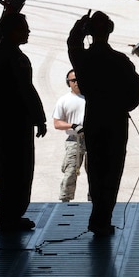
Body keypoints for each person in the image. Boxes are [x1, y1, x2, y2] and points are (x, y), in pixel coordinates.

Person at [67, 11, 139, 236]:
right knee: (112, 169)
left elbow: (72, 42)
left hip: (95, 116)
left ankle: (97, 216)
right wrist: (122, 107)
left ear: (90, 32)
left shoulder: (83, 60)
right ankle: (104, 217)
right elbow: (135, 91)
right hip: (115, 119)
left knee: (96, 169)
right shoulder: (120, 61)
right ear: (110, 30)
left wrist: (81, 26)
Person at [0, 13, 46, 231]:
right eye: (23, 29)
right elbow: (26, 90)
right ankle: (12, 215)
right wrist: (39, 117)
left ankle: (7, 215)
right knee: (19, 169)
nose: (27, 32)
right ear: (11, 31)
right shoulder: (15, 58)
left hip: (2, 120)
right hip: (16, 122)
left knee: (4, 168)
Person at [52, 69, 87, 202]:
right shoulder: (64, 100)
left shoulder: (92, 97)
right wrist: (72, 126)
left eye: (78, 79)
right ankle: (65, 199)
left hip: (93, 139)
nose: (76, 82)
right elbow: (57, 123)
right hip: (74, 140)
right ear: (68, 83)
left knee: (96, 172)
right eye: (73, 80)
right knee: (71, 170)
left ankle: (95, 199)